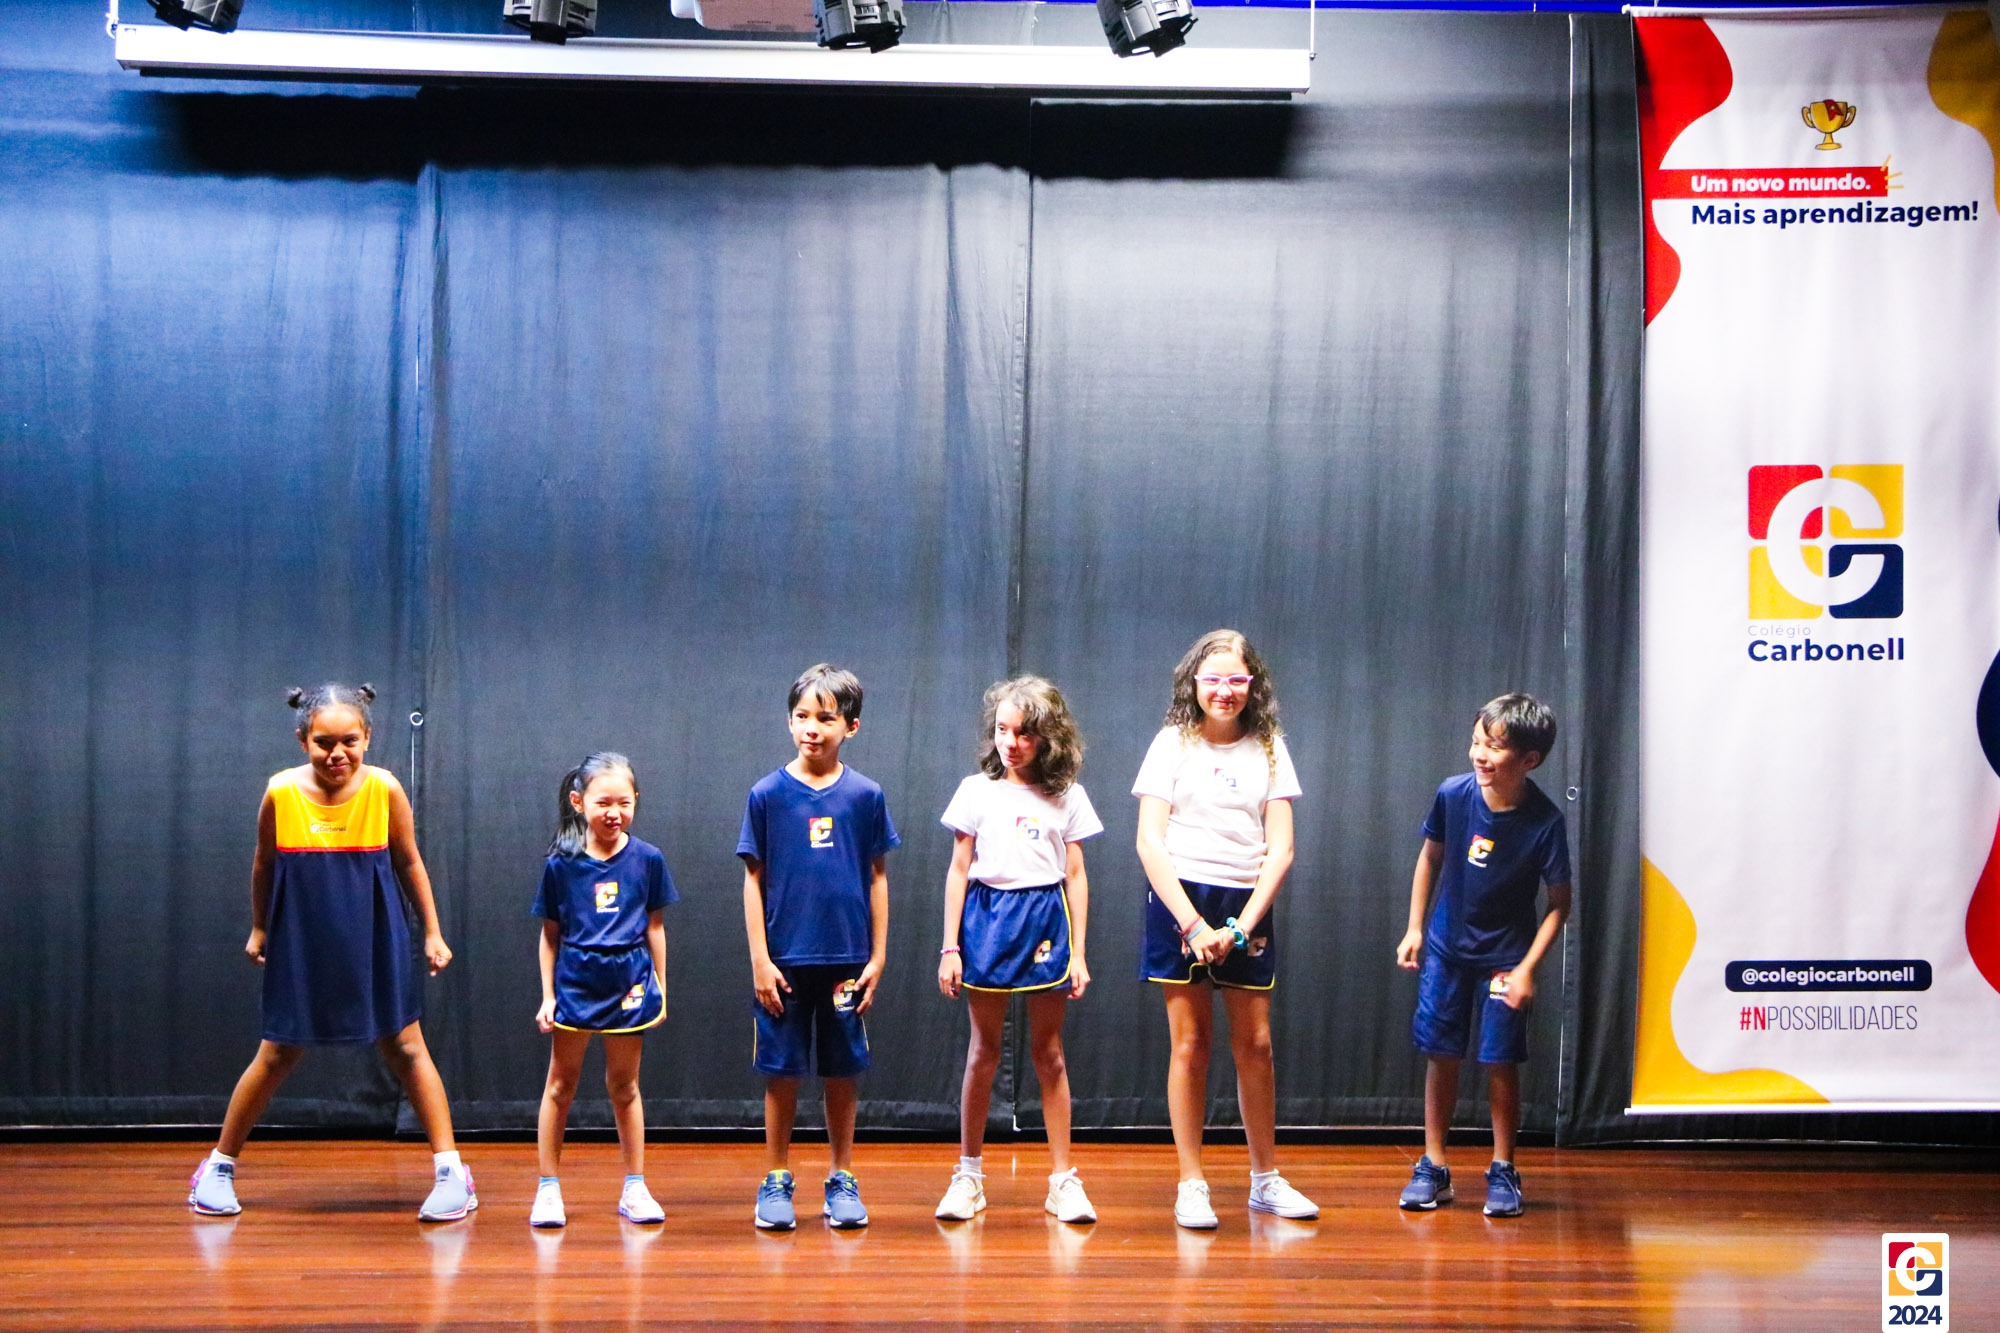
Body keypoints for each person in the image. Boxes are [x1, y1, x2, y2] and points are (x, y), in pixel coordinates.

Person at [187, 683, 472, 1222]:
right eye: (324, 743)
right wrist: (259, 927)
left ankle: (453, 1173)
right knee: (277, 1052)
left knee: (406, 1046)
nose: (337, 753)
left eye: (349, 741)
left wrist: (432, 932)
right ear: (303, 741)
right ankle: (217, 1169)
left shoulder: (384, 788)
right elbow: (264, 864)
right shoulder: (280, 792)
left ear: (367, 738)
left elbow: (409, 861)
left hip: (374, 933)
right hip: (303, 936)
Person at [1134, 630, 1319, 1229]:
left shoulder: (1270, 747)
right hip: (1180, 901)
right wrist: (1192, 924)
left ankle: (1265, 1181)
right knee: (1190, 1045)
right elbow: (1148, 840)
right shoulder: (1171, 743)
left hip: (1246, 905)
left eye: (1236, 679)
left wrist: (1240, 927)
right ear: (1194, 683)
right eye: (1213, 679)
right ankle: (1192, 1183)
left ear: (1252, 684)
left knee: (1255, 1044)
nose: (1224, 690)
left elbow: (1281, 848)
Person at [1395, 693, 1572, 1219]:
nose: (1480, 754)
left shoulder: (1545, 821)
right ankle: (1433, 1165)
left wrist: (1526, 969)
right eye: (1477, 742)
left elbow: (1560, 904)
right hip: (1446, 951)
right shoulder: (1453, 794)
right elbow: (1430, 858)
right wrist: (1415, 928)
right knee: (1441, 1053)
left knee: (1499, 1060)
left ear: (1529, 759)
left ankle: (1503, 1167)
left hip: (1504, 961)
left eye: (1494, 747)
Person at [935, 677, 1102, 1225]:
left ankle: (1062, 1181)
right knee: (982, 1051)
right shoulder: (975, 791)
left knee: (1048, 1053)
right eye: (1003, 730)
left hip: (1045, 921)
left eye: (1024, 733)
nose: (1011, 742)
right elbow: (959, 870)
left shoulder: (1067, 794)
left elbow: (1075, 874)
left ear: (1048, 736)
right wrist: (950, 947)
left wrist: (1078, 953)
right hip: (987, 920)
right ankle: (968, 1175)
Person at [738, 664, 900, 1231]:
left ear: (850, 726)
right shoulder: (766, 795)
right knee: (781, 1071)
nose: (812, 727)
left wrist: (877, 956)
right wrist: (760, 959)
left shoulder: (866, 795)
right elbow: (753, 879)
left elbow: (877, 877)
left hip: (846, 963)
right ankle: (775, 1178)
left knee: (841, 1071)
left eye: (826, 718)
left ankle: (841, 1177)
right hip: (783, 963)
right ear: (789, 721)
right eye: (802, 716)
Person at [529, 752, 677, 1229]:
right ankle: (548, 1189)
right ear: (579, 802)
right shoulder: (561, 864)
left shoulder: (649, 859)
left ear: (636, 801)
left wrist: (660, 984)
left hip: (630, 983)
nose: (614, 813)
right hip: (576, 981)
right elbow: (550, 936)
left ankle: (635, 1187)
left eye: (624, 803)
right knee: (560, 1085)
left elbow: (655, 928)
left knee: (625, 1086)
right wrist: (548, 996)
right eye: (603, 802)